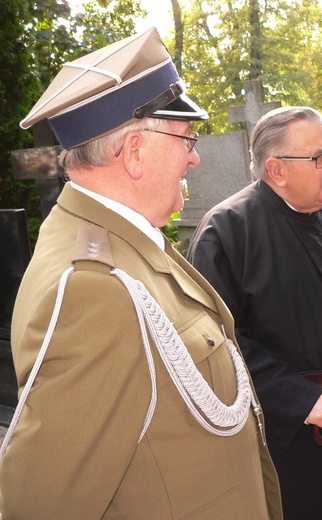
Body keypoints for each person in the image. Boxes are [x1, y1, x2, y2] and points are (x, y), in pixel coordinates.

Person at [0, 28, 281, 519]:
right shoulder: (93, 288)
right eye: (186, 139)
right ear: (133, 152)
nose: (194, 156)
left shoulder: (120, 238)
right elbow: (40, 505)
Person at [187, 106, 322, 520]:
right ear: (277, 169)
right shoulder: (229, 231)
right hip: (291, 433)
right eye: (319, 156)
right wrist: (301, 399)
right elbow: (216, 341)